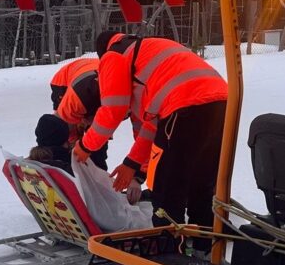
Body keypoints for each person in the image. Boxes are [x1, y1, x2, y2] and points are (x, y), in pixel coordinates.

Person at [74, 31, 228, 234]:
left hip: (183, 106)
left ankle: (170, 246)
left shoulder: (114, 55)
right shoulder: (150, 50)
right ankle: (205, 243)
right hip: (221, 101)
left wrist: (86, 147)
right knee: (201, 179)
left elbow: (113, 110)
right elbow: (152, 125)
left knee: (168, 185)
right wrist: (132, 165)